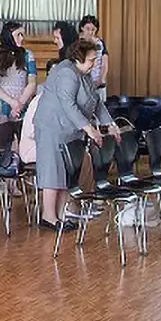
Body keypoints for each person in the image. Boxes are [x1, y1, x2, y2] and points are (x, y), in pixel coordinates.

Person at [31, 37, 118, 231]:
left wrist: (109, 124)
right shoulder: (66, 73)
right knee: (53, 172)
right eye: (91, 59)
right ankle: (48, 216)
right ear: (79, 58)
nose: (94, 63)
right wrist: (90, 129)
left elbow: (96, 101)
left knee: (66, 173)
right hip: (52, 127)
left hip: (70, 130)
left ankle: (61, 215)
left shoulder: (84, 74)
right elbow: (68, 104)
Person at [0, 22, 37, 126]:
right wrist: (12, 102)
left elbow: (32, 82)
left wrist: (19, 105)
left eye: (22, 35)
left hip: (22, 109)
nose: (21, 38)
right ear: (9, 35)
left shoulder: (28, 55)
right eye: (18, 35)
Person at [79, 15, 109, 98]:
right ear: (82, 28)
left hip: (98, 82)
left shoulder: (100, 43)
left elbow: (105, 63)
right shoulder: (78, 44)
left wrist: (100, 79)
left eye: (93, 30)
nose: (90, 32)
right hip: (83, 84)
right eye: (87, 29)